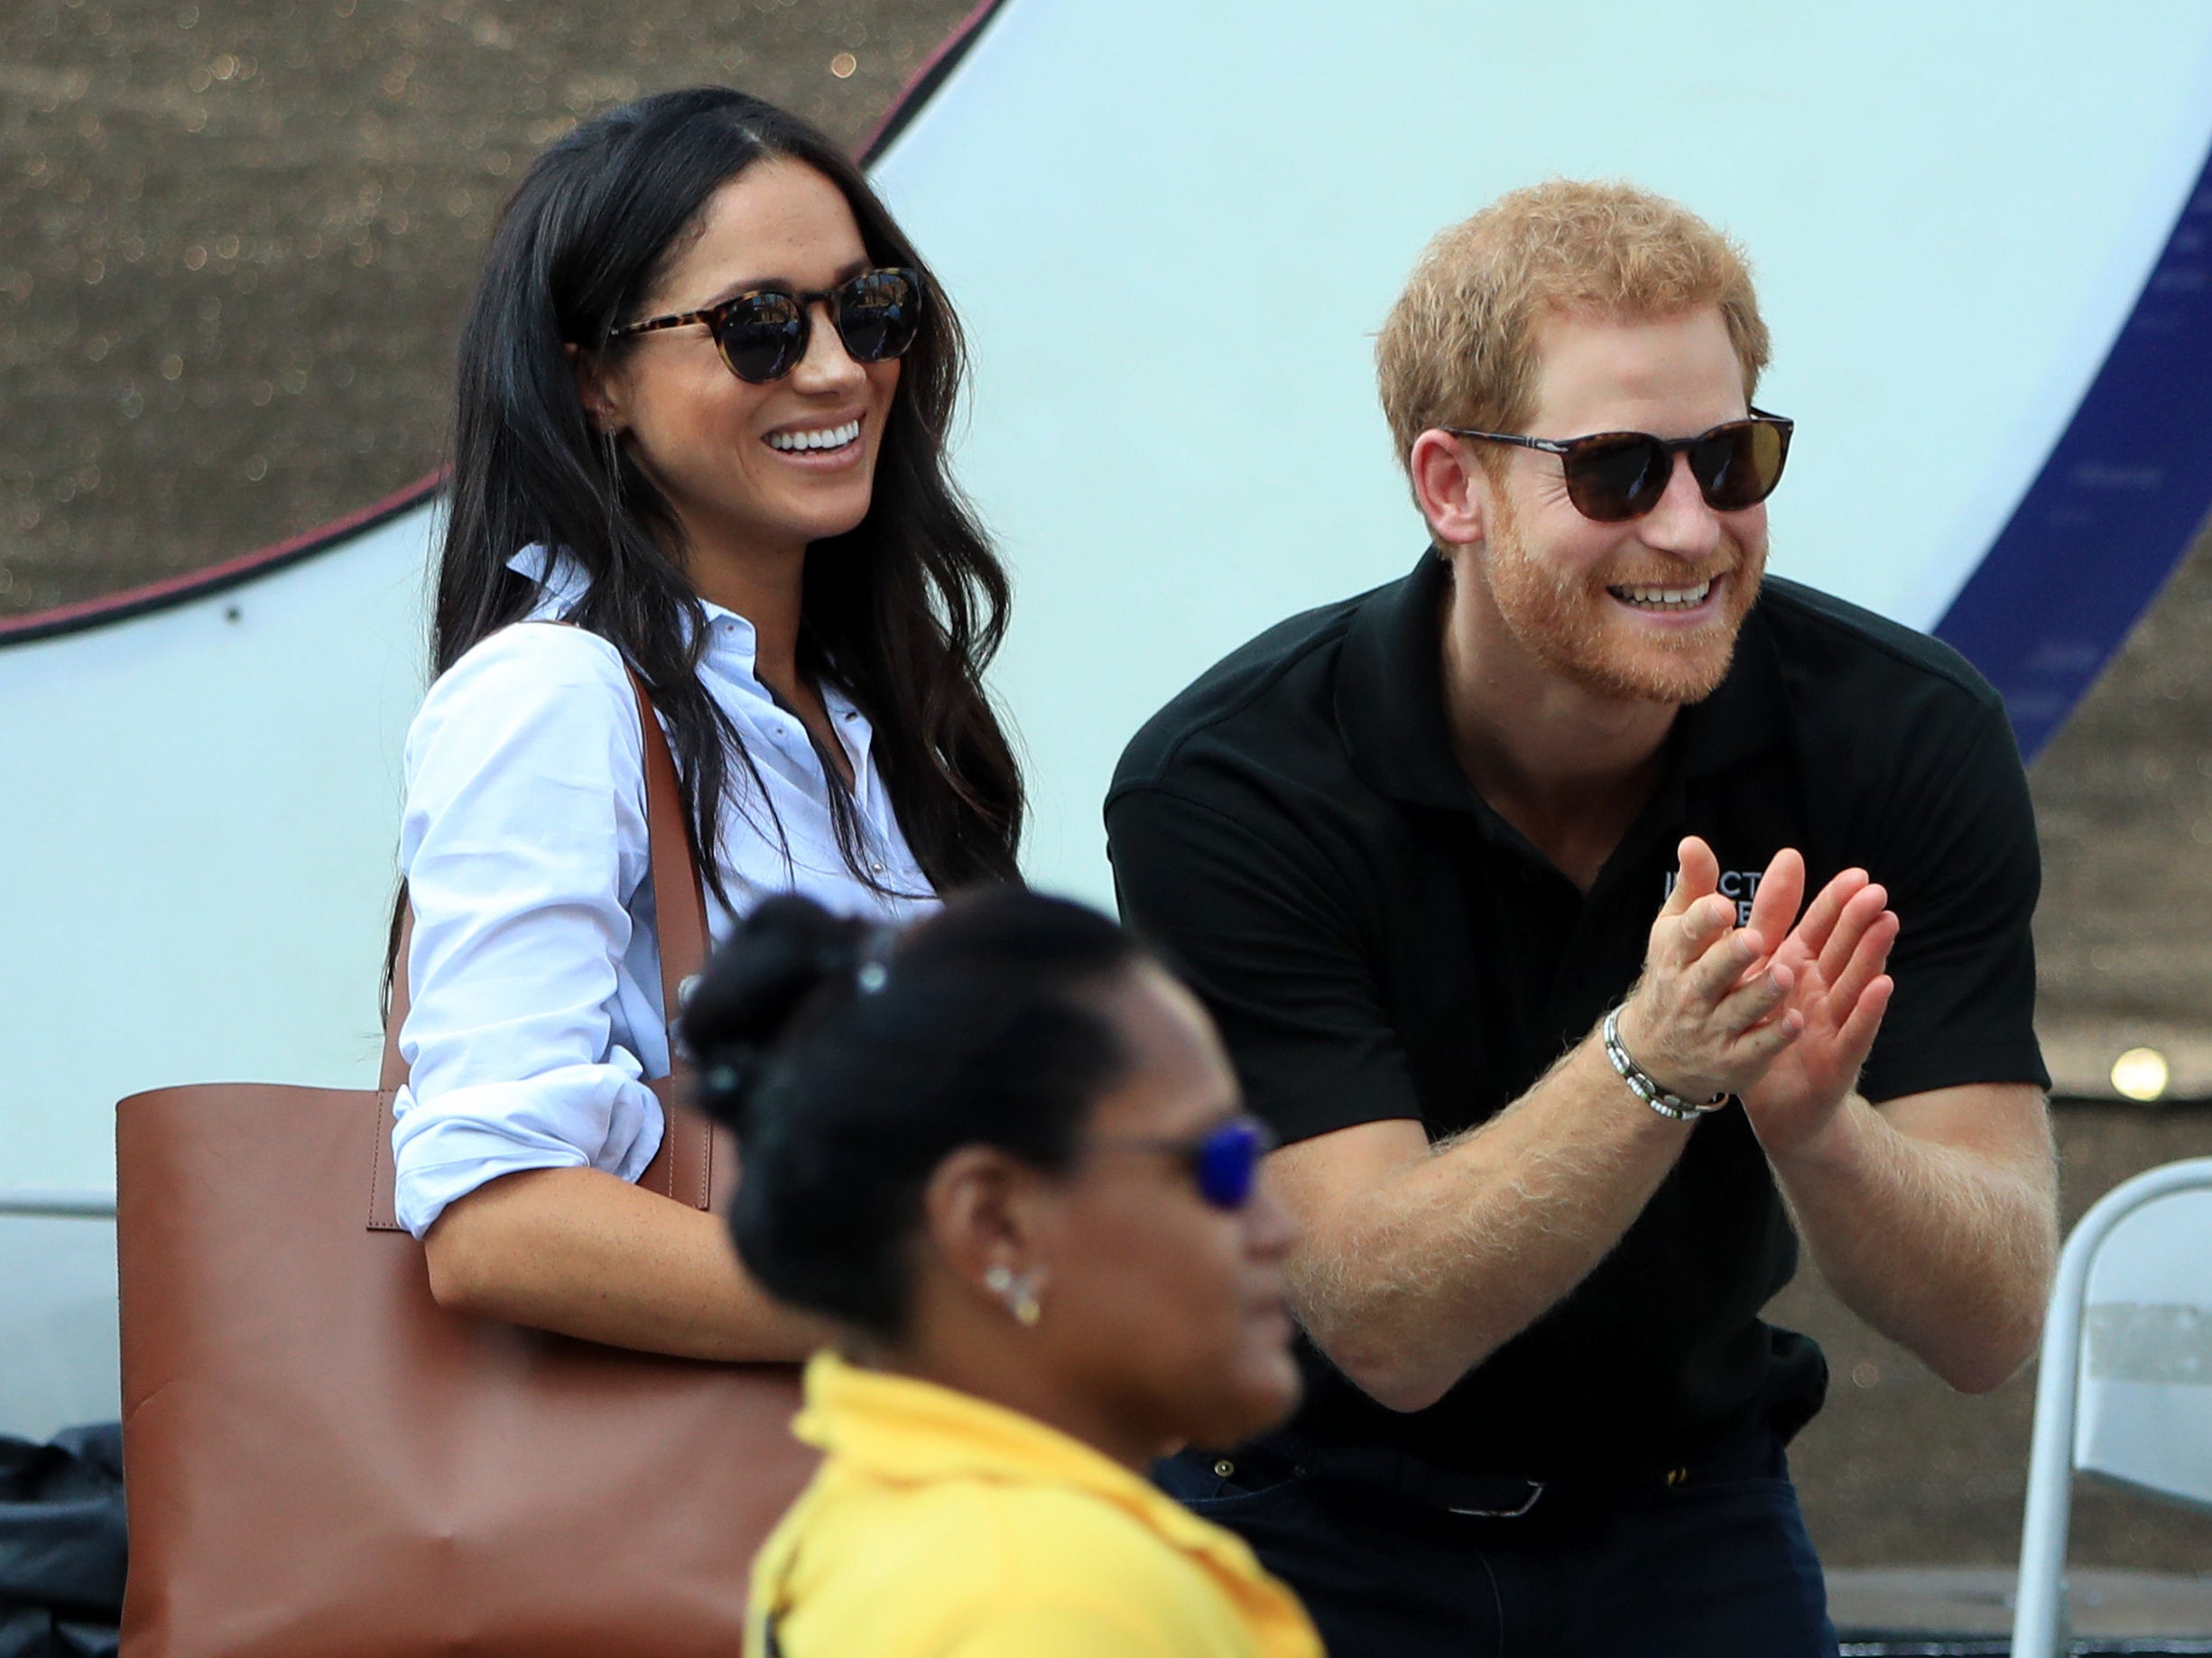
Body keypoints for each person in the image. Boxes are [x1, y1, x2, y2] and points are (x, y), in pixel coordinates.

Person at [1106, 180, 2059, 1657]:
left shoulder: (1900, 735)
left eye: (1731, 460)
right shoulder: (1231, 782)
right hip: (1293, 1514)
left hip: (1686, 1512)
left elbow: (1992, 1321)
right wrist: (1658, 1062)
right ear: (1450, 486)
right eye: (1616, 471)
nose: (1691, 529)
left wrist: (1820, 1128)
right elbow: (1385, 1326)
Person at [388, 88, 1023, 1360]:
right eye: (758, 327)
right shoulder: (554, 697)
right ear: (597, 382)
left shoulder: (869, 711)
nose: (838, 366)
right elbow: (490, 1217)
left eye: (868, 304)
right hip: (720, 1525)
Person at [675, 888, 1325, 1658]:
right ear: (995, 1227)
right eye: (1218, 1166)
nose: (1276, 1229)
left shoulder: (889, 1521)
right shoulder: (1044, 1599)